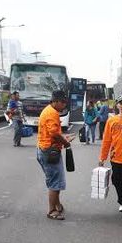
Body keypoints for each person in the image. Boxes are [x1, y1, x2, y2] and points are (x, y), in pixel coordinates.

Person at [37, 90, 75, 220]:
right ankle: (52, 210)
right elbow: (53, 133)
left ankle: (57, 205)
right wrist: (65, 141)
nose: (64, 105)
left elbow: (52, 132)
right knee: (55, 182)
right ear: (56, 101)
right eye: (63, 102)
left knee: (55, 180)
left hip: (45, 148)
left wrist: (63, 138)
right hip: (50, 151)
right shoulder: (52, 113)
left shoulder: (49, 110)